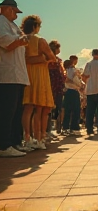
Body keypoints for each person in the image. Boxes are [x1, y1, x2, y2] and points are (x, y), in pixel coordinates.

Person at [21, 15, 56, 150]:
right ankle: (39, 138)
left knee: (28, 107)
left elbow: (24, 59)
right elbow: (51, 57)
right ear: (35, 27)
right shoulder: (40, 40)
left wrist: (32, 59)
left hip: (26, 74)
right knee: (41, 108)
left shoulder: (22, 40)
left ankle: (27, 137)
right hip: (40, 75)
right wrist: (41, 59)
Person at [0, 0, 29, 157]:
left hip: (18, 75)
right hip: (7, 75)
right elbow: (6, 43)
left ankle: (13, 142)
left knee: (16, 111)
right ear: (5, 9)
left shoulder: (13, 26)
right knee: (7, 111)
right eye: (13, 11)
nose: (15, 15)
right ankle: (4, 145)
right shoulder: (1, 22)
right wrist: (20, 41)